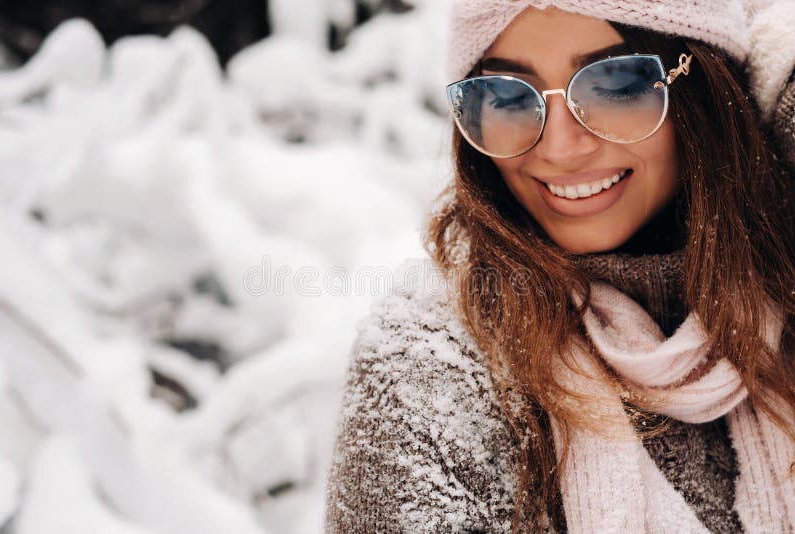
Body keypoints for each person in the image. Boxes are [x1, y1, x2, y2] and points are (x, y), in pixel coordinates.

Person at [325, 1, 795, 532]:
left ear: (703, 85)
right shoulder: (429, 371)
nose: (560, 148)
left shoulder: (784, 290)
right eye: (505, 97)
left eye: (616, 84)